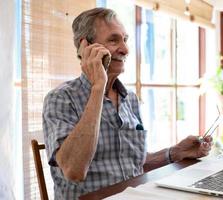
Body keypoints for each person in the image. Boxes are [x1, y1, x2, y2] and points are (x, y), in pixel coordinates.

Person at [43, 7, 213, 200]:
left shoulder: (130, 99)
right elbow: (74, 170)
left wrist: (176, 152)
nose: (125, 49)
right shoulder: (60, 98)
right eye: (113, 40)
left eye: (125, 39)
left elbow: (132, 164)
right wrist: (99, 87)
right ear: (85, 47)